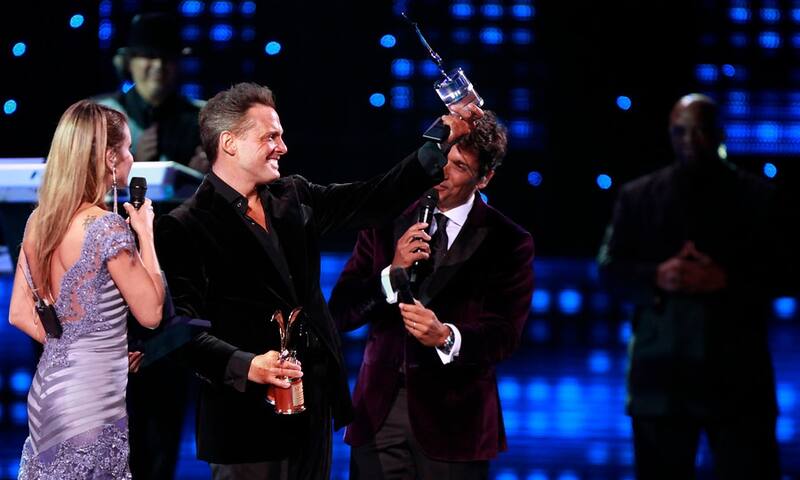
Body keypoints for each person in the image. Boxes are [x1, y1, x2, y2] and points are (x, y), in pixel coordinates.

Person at [153, 81, 481, 480]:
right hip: (245, 424)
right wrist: (247, 365)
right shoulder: (183, 227)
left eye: (282, 136)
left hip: (312, 409)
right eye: (270, 136)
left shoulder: (294, 195)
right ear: (230, 143)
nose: (283, 147)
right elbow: (178, 330)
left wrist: (438, 142)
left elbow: (373, 198)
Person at [328, 111, 534, 479]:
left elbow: (505, 334)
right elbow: (341, 311)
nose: (440, 174)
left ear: (484, 178)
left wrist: (446, 336)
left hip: (456, 422)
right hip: (379, 414)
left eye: (457, 166)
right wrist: (391, 275)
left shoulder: (509, 241)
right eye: (440, 159)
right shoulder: (387, 218)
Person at [598, 94, 788, 479]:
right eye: (682, 131)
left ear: (719, 134)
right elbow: (609, 270)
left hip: (738, 379)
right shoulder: (638, 196)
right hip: (661, 381)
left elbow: (787, 269)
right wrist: (658, 275)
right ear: (670, 134)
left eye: (701, 130)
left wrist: (727, 280)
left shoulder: (759, 198)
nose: (691, 140)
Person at [8, 100, 165, 478]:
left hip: (49, 390)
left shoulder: (38, 222)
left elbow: (19, 313)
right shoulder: (106, 227)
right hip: (89, 402)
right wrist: (145, 233)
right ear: (110, 157)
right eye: (126, 148)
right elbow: (152, 312)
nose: (131, 158)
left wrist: (82, 349)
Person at [95, 12, 208, 172]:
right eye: (149, 56)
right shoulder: (101, 116)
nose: (159, 65)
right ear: (128, 63)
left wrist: (201, 180)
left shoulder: (203, 118)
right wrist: (133, 166)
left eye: (167, 57)